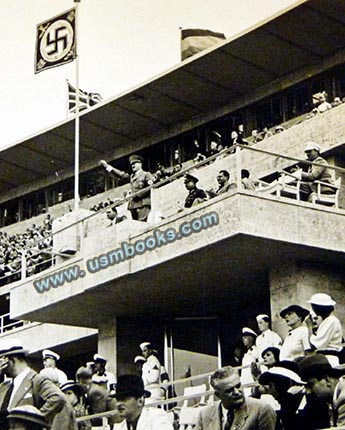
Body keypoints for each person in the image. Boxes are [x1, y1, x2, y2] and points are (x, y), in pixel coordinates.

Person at [0, 339, 65, 430]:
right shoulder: (5, 386)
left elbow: (58, 398)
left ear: (12, 361)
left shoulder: (36, 379)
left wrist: (36, 419)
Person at [195, 366, 276, 430]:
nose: (237, 392)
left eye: (238, 386)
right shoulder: (204, 415)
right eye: (229, 390)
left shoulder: (261, 410)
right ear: (218, 395)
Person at [100, 155, 154, 222]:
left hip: (143, 203)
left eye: (134, 163)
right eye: (131, 164)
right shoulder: (132, 177)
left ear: (140, 163)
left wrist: (138, 194)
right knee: (136, 225)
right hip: (133, 205)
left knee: (143, 222)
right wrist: (107, 166)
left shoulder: (146, 174)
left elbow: (151, 187)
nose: (132, 165)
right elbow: (120, 174)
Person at [299, 353, 345, 427]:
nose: (308, 392)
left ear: (327, 380)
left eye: (311, 385)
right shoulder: (335, 398)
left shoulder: (343, 397)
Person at [259, 361, 306, 430]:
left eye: (271, 386)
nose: (270, 392)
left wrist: (288, 399)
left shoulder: (308, 404)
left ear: (282, 385)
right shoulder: (286, 406)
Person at [304, 293, 343, 366]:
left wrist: (309, 326)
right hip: (324, 358)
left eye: (313, 307)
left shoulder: (331, 321)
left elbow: (313, 345)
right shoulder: (327, 321)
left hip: (329, 359)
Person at [240, 327, 258, 396]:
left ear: (251, 338)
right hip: (245, 381)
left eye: (245, 337)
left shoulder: (256, 350)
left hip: (252, 381)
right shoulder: (246, 353)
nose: (243, 340)